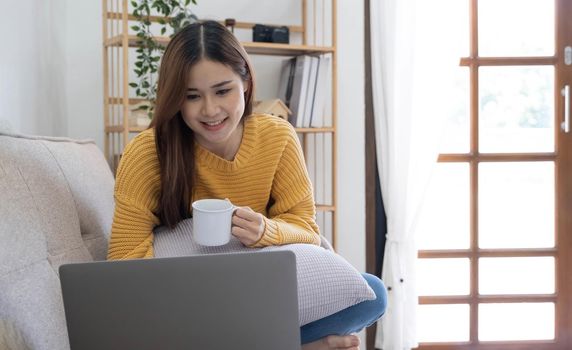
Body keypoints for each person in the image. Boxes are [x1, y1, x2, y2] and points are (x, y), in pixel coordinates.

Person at [107, 20, 386, 349]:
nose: (210, 110)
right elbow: (124, 264)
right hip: (192, 305)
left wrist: (265, 231)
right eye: (192, 96)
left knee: (373, 295)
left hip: (261, 294)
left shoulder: (277, 137)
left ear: (246, 83)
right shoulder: (148, 153)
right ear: (175, 99)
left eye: (223, 90)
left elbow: (305, 228)